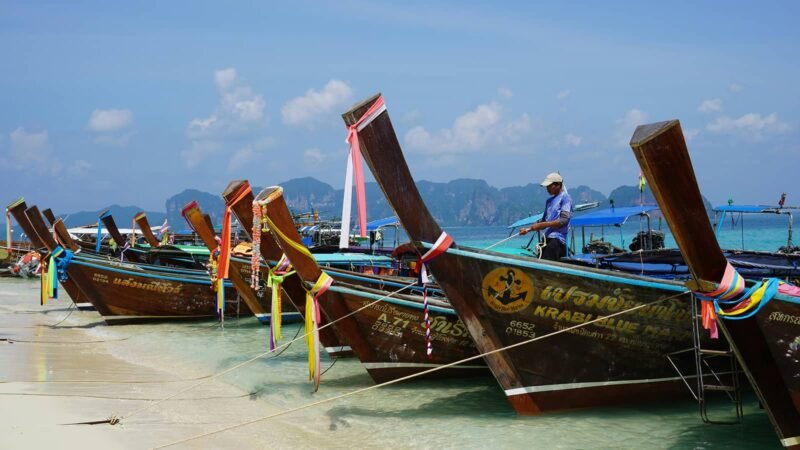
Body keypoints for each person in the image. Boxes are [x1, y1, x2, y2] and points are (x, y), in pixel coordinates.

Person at [520, 172, 572, 261]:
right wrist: (528, 229)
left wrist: (542, 225)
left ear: (558, 185)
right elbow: (544, 221)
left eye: (549, 186)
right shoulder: (549, 201)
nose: (547, 188)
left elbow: (564, 220)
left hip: (557, 240)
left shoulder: (565, 197)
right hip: (546, 239)